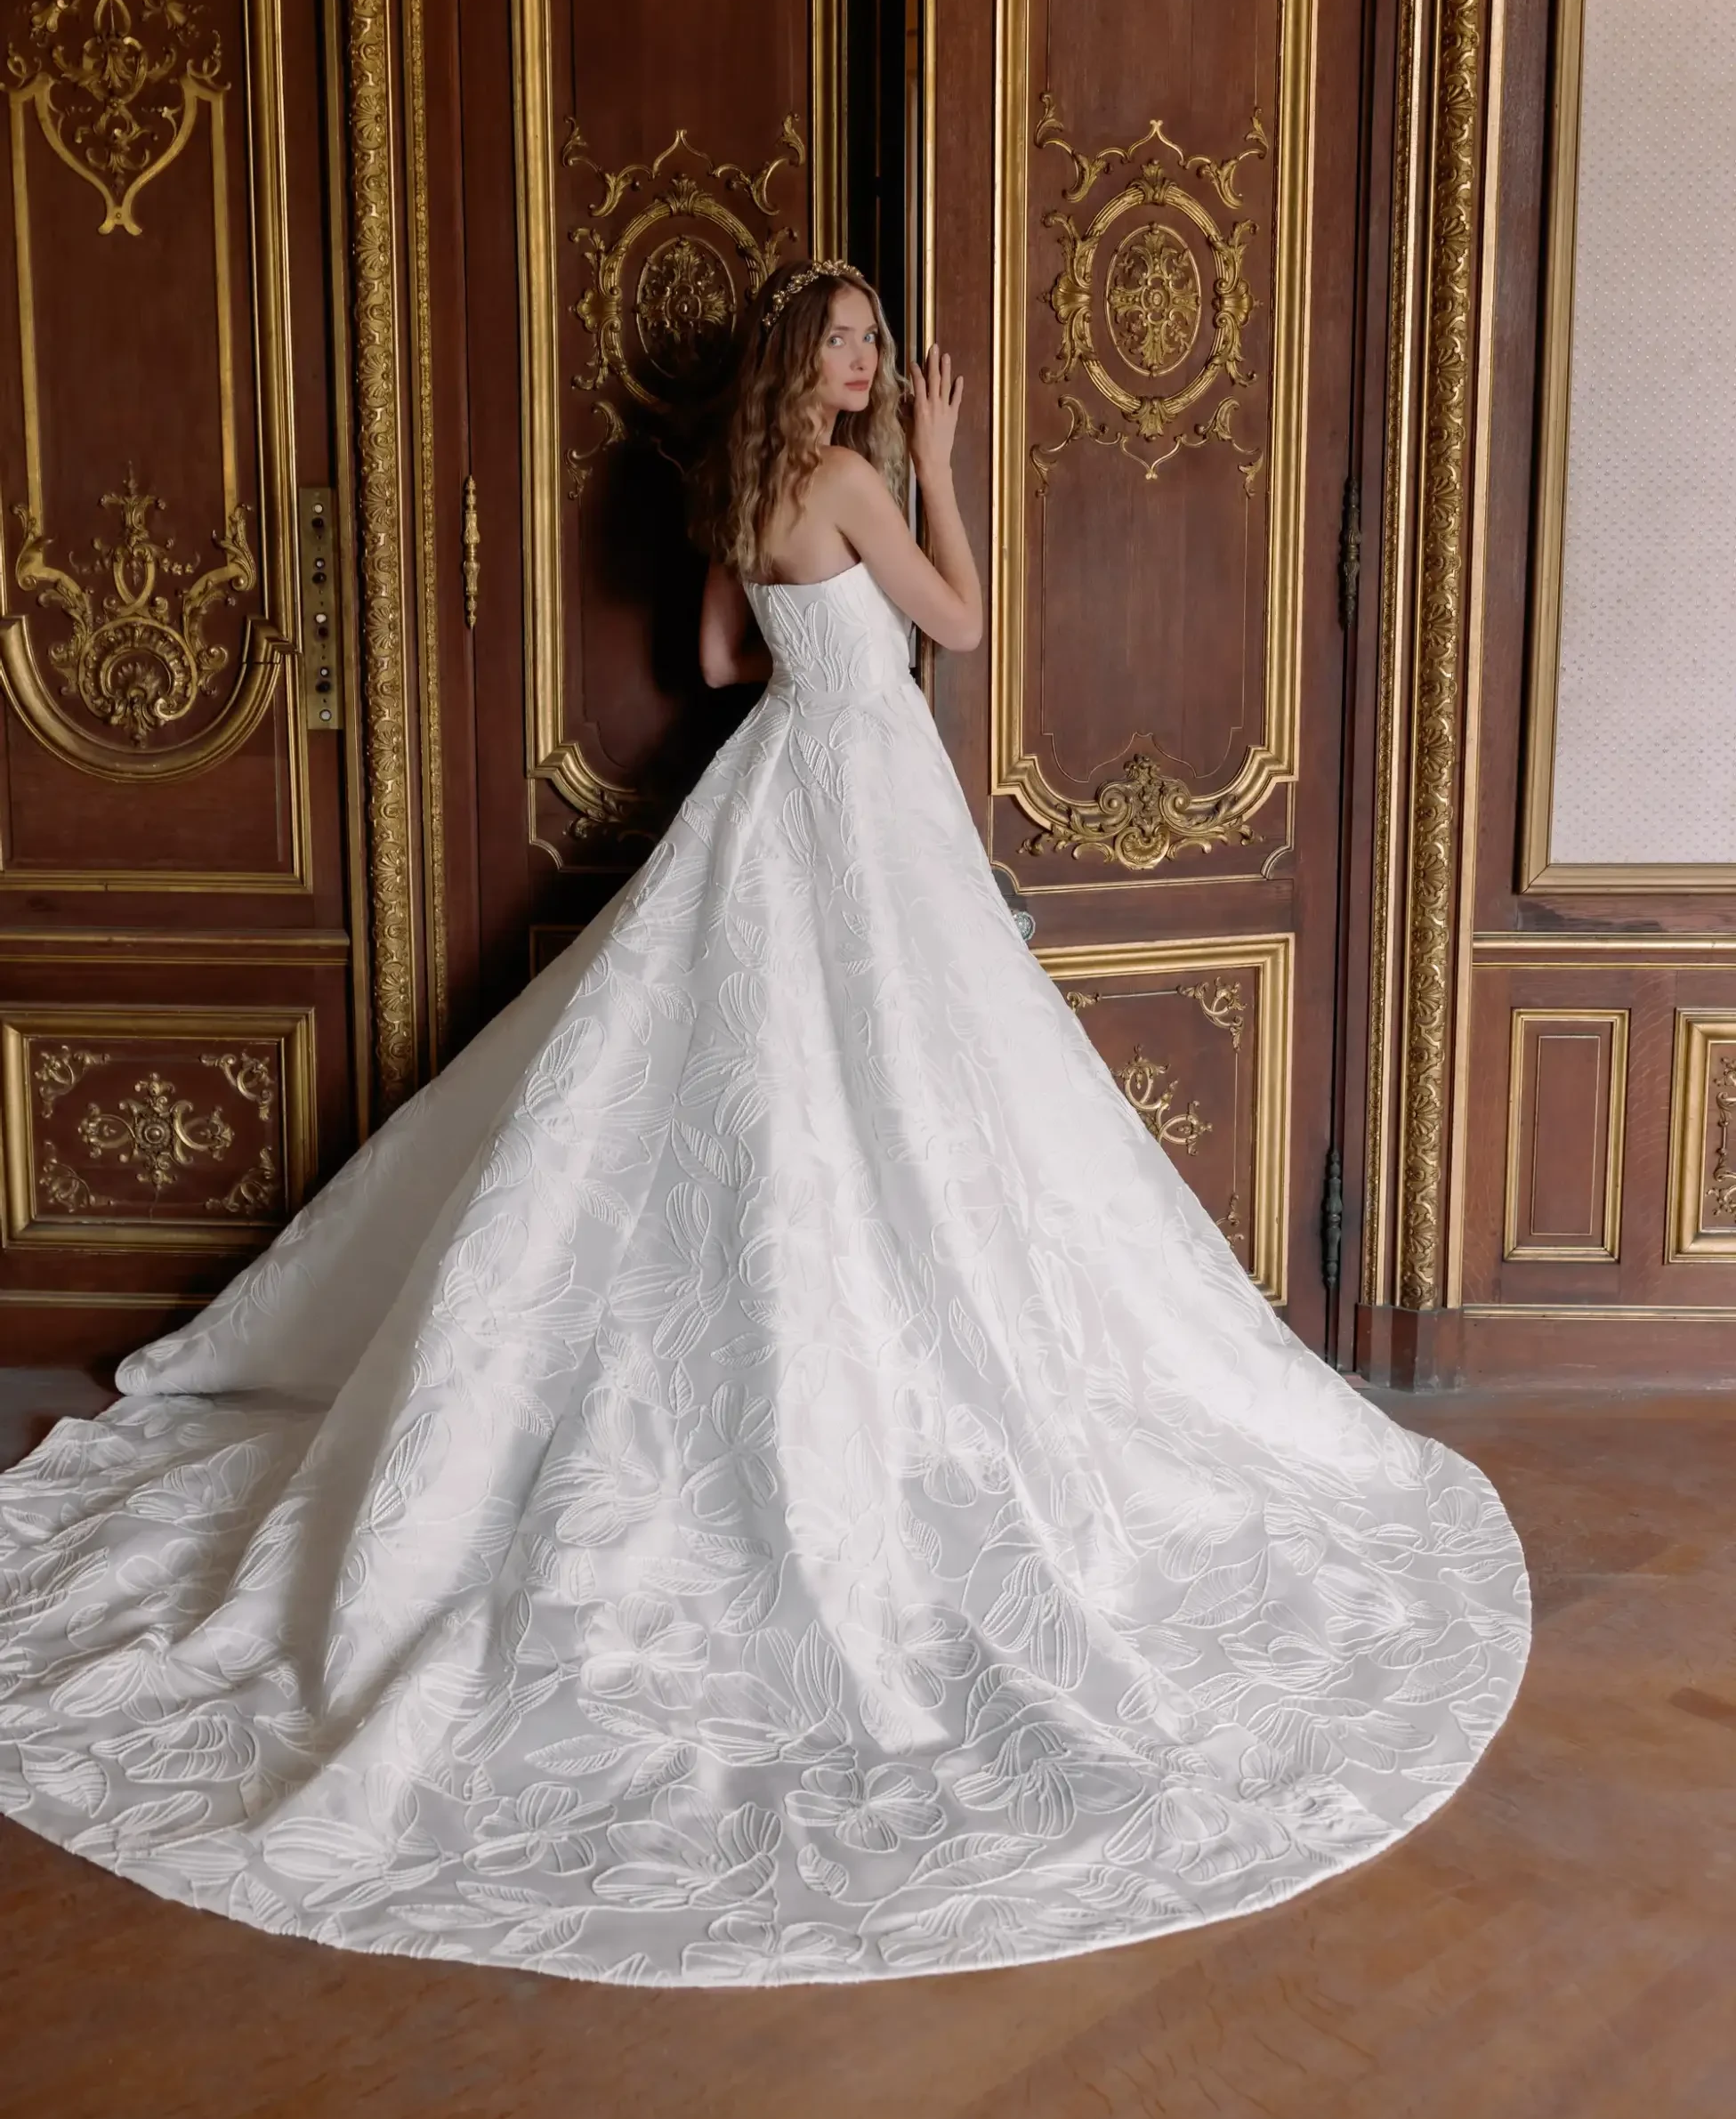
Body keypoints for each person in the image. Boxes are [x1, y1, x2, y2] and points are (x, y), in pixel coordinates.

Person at [0, 260, 1529, 1989]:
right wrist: (945, 459)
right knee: (898, 1090)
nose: (876, 362)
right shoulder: (864, 476)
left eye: (881, 342)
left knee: (746, 1095)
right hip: (866, 801)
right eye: (855, 343)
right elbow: (955, 627)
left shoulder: (748, 491)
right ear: (813, 368)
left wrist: (815, 647)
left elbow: (724, 657)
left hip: (779, 789)